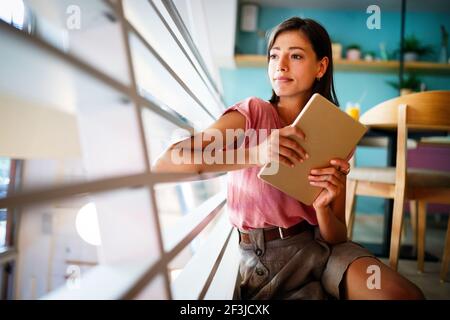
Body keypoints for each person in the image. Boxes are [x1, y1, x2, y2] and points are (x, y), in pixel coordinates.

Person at [153, 17, 424, 300]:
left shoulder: (335, 132)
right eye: (274, 56)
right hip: (268, 260)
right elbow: (168, 162)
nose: (280, 66)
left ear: (321, 67)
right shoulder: (251, 114)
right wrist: (256, 153)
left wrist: (322, 207)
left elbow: (338, 234)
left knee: (404, 295)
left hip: (325, 251)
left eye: (295, 55)